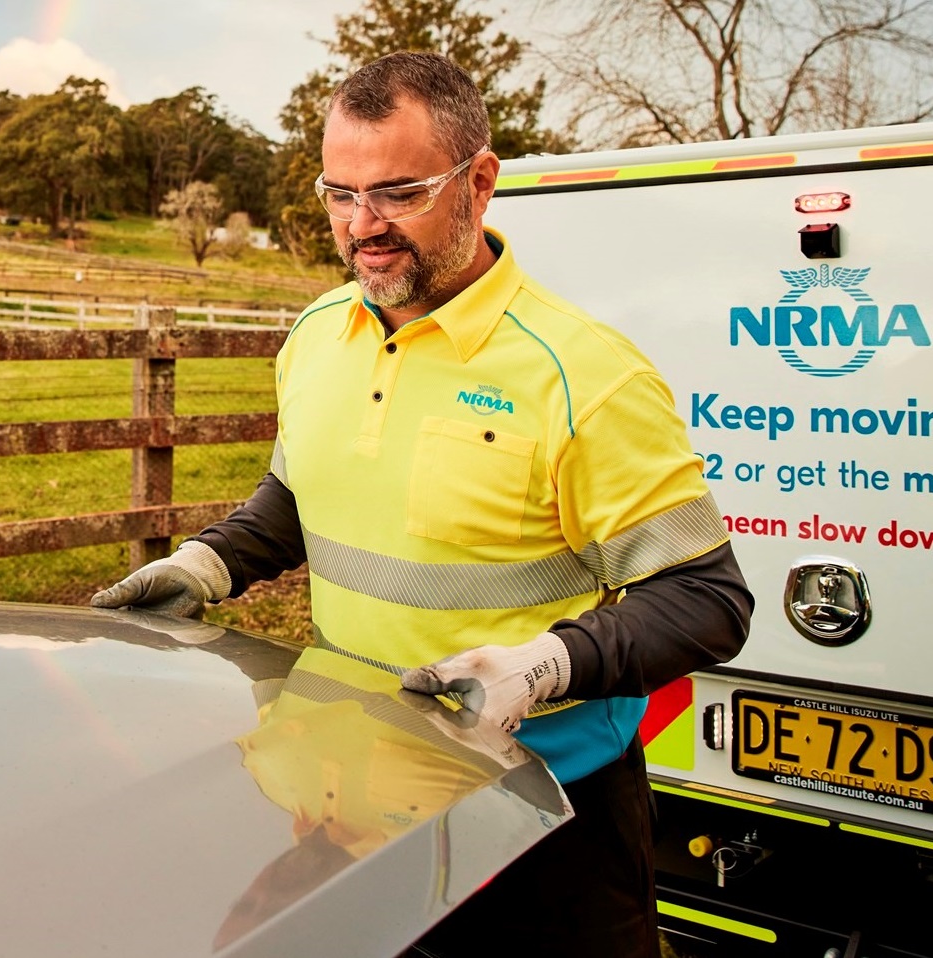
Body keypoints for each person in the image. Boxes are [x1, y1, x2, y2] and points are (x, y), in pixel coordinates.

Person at [90, 51, 752, 957]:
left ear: (479, 182)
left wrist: (543, 669)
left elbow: (708, 601)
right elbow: (300, 494)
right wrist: (208, 562)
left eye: (399, 193)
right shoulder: (319, 335)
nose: (363, 227)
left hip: (541, 815)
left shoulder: (587, 374)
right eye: (338, 194)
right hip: (343, 798)